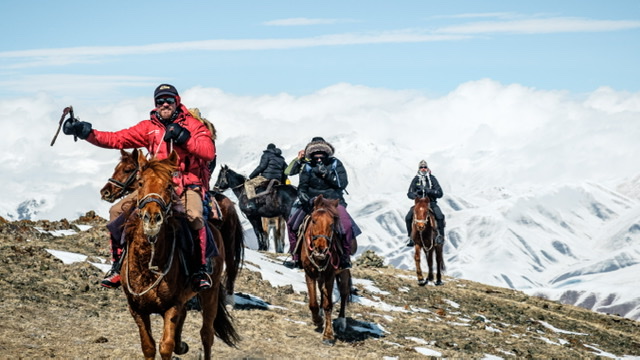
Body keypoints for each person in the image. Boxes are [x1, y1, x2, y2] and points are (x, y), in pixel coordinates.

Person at [62, 84, 215, 291]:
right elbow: (116, 139)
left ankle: (200, 269)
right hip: (154, 185)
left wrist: (184, 137)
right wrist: (86, 133)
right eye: (160, 101)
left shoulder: (193, 125)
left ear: (177, 101)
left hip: (186, 185)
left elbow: (208, 152)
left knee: (194, 216)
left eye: (169, 100)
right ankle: (117, 266)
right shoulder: (148, 127)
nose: (164, 104)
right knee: (116, 211)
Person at [285, 137, 360, 269]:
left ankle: (345, 257)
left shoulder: (336, 164)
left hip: (333, 201)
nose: (318, 159)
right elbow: (303, 184)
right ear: (311, 155)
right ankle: (296, 257)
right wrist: (303, 195)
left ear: (326, 155)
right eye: (316, 157)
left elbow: (342, 183)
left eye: (321, 157)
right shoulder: (307, 165)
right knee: (292, 224)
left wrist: (328, 175)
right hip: (313, 200)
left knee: (347, 226)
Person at [405, 160, 446, 247]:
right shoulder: (416, 179)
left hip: (431, 203)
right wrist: (415, 194)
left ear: (427, 168)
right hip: (419, 204)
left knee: (440, 216)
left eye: (425, 167)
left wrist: (429, 191)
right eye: (421, 167)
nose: (423, 169)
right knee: (408, 218)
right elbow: (409, 193)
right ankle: (411, 237)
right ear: (419, 169)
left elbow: (440, 193)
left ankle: (440, 236)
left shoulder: (432, 179)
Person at [245, 143, 286, 210]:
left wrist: (252, 175)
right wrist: (283, 183)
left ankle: (252, 203)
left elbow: (262, 167)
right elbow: (285, 172)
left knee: (248, 184)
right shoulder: (281, 158)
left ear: (268, 149)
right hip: (278, 179)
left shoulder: (266, 155)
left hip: (266, 177)